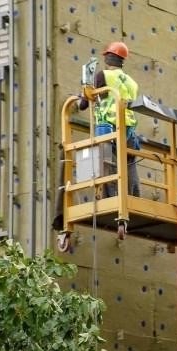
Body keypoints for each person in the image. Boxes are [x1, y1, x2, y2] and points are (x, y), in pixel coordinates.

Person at [52, 41, 140, 231]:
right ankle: (133, 197)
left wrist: (81, 96)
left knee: (105, 164)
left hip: (108, 125)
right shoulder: (132, 82)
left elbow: (84, 104)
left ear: (108, 58)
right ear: (122, 60)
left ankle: (111, 199)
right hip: (129, 128)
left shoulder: (103, 75)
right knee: (129, 163)